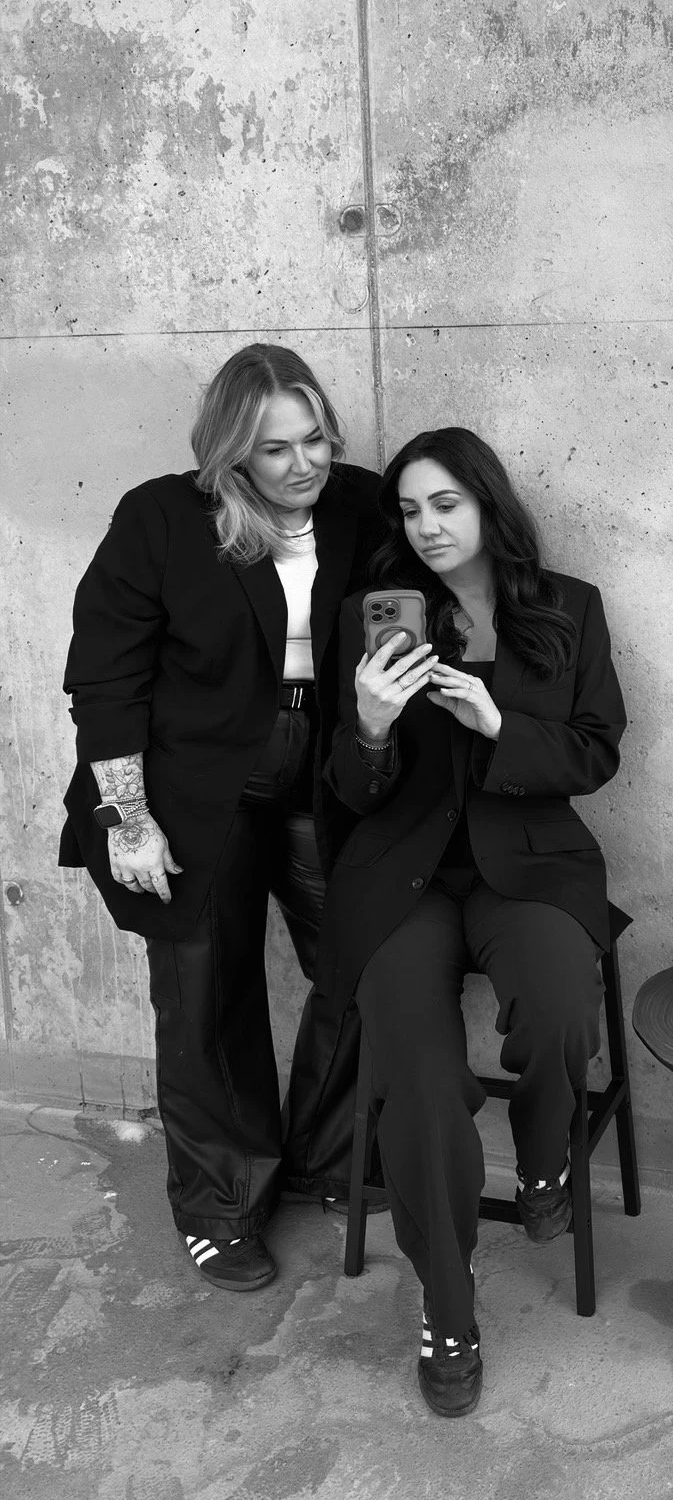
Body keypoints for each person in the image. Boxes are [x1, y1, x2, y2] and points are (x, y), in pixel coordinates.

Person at [59, 344, 385, 1291]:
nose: (304, 463)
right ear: (231, 451)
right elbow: (106, 675)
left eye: (315, 438)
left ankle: (328, 1155)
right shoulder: (162, 517)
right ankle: (220, 1202)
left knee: (362, 964)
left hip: (325, 767)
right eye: (276, 448)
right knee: (205, 991)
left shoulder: (363, 505)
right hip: (194, 780)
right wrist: (127, 817)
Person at [316, 427, 627, 1418]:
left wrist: (499, 725)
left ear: (489, 503)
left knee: (559, 1002)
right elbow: (348, 790)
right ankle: (447, 1304)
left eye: (445, 504)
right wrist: (369, 727)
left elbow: (596, 751)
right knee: (417, 1077)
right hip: (404, 878)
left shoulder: (569, 608)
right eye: (411, 510)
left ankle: (545, 1157)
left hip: (527, 867)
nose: (428, 526)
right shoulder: (375, 618)